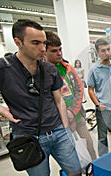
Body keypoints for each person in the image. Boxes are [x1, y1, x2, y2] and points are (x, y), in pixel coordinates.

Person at [0, 19, 83, 176]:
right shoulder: (0, 68)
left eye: (43, 43)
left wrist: (65, 126)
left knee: (75, 170)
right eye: (35, 43)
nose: (42, 48)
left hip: (58, 130)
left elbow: (59, 99)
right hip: (28, 136)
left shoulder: (49, 69)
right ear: (18, 42)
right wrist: (0, 110)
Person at [44, 31, 97, 164]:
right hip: (60, 123)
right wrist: (64, 115)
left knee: (89, 143)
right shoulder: (43, 72)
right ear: (44, 52)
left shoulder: (68, 68)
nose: (59, 53)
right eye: (54, 51)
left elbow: (79, 89)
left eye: (60, 49)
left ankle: (95, 168)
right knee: (69, 152)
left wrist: (72, 111)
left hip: (77, 115)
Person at [87, 38, 111, 157]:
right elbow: (90, 89)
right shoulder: (94, 70)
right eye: (103, 51)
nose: (107, 53)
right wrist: (98, 104)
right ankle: (104, 159)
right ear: (97, 53)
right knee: (102, 137)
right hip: (102, 109)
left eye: (108, 49)